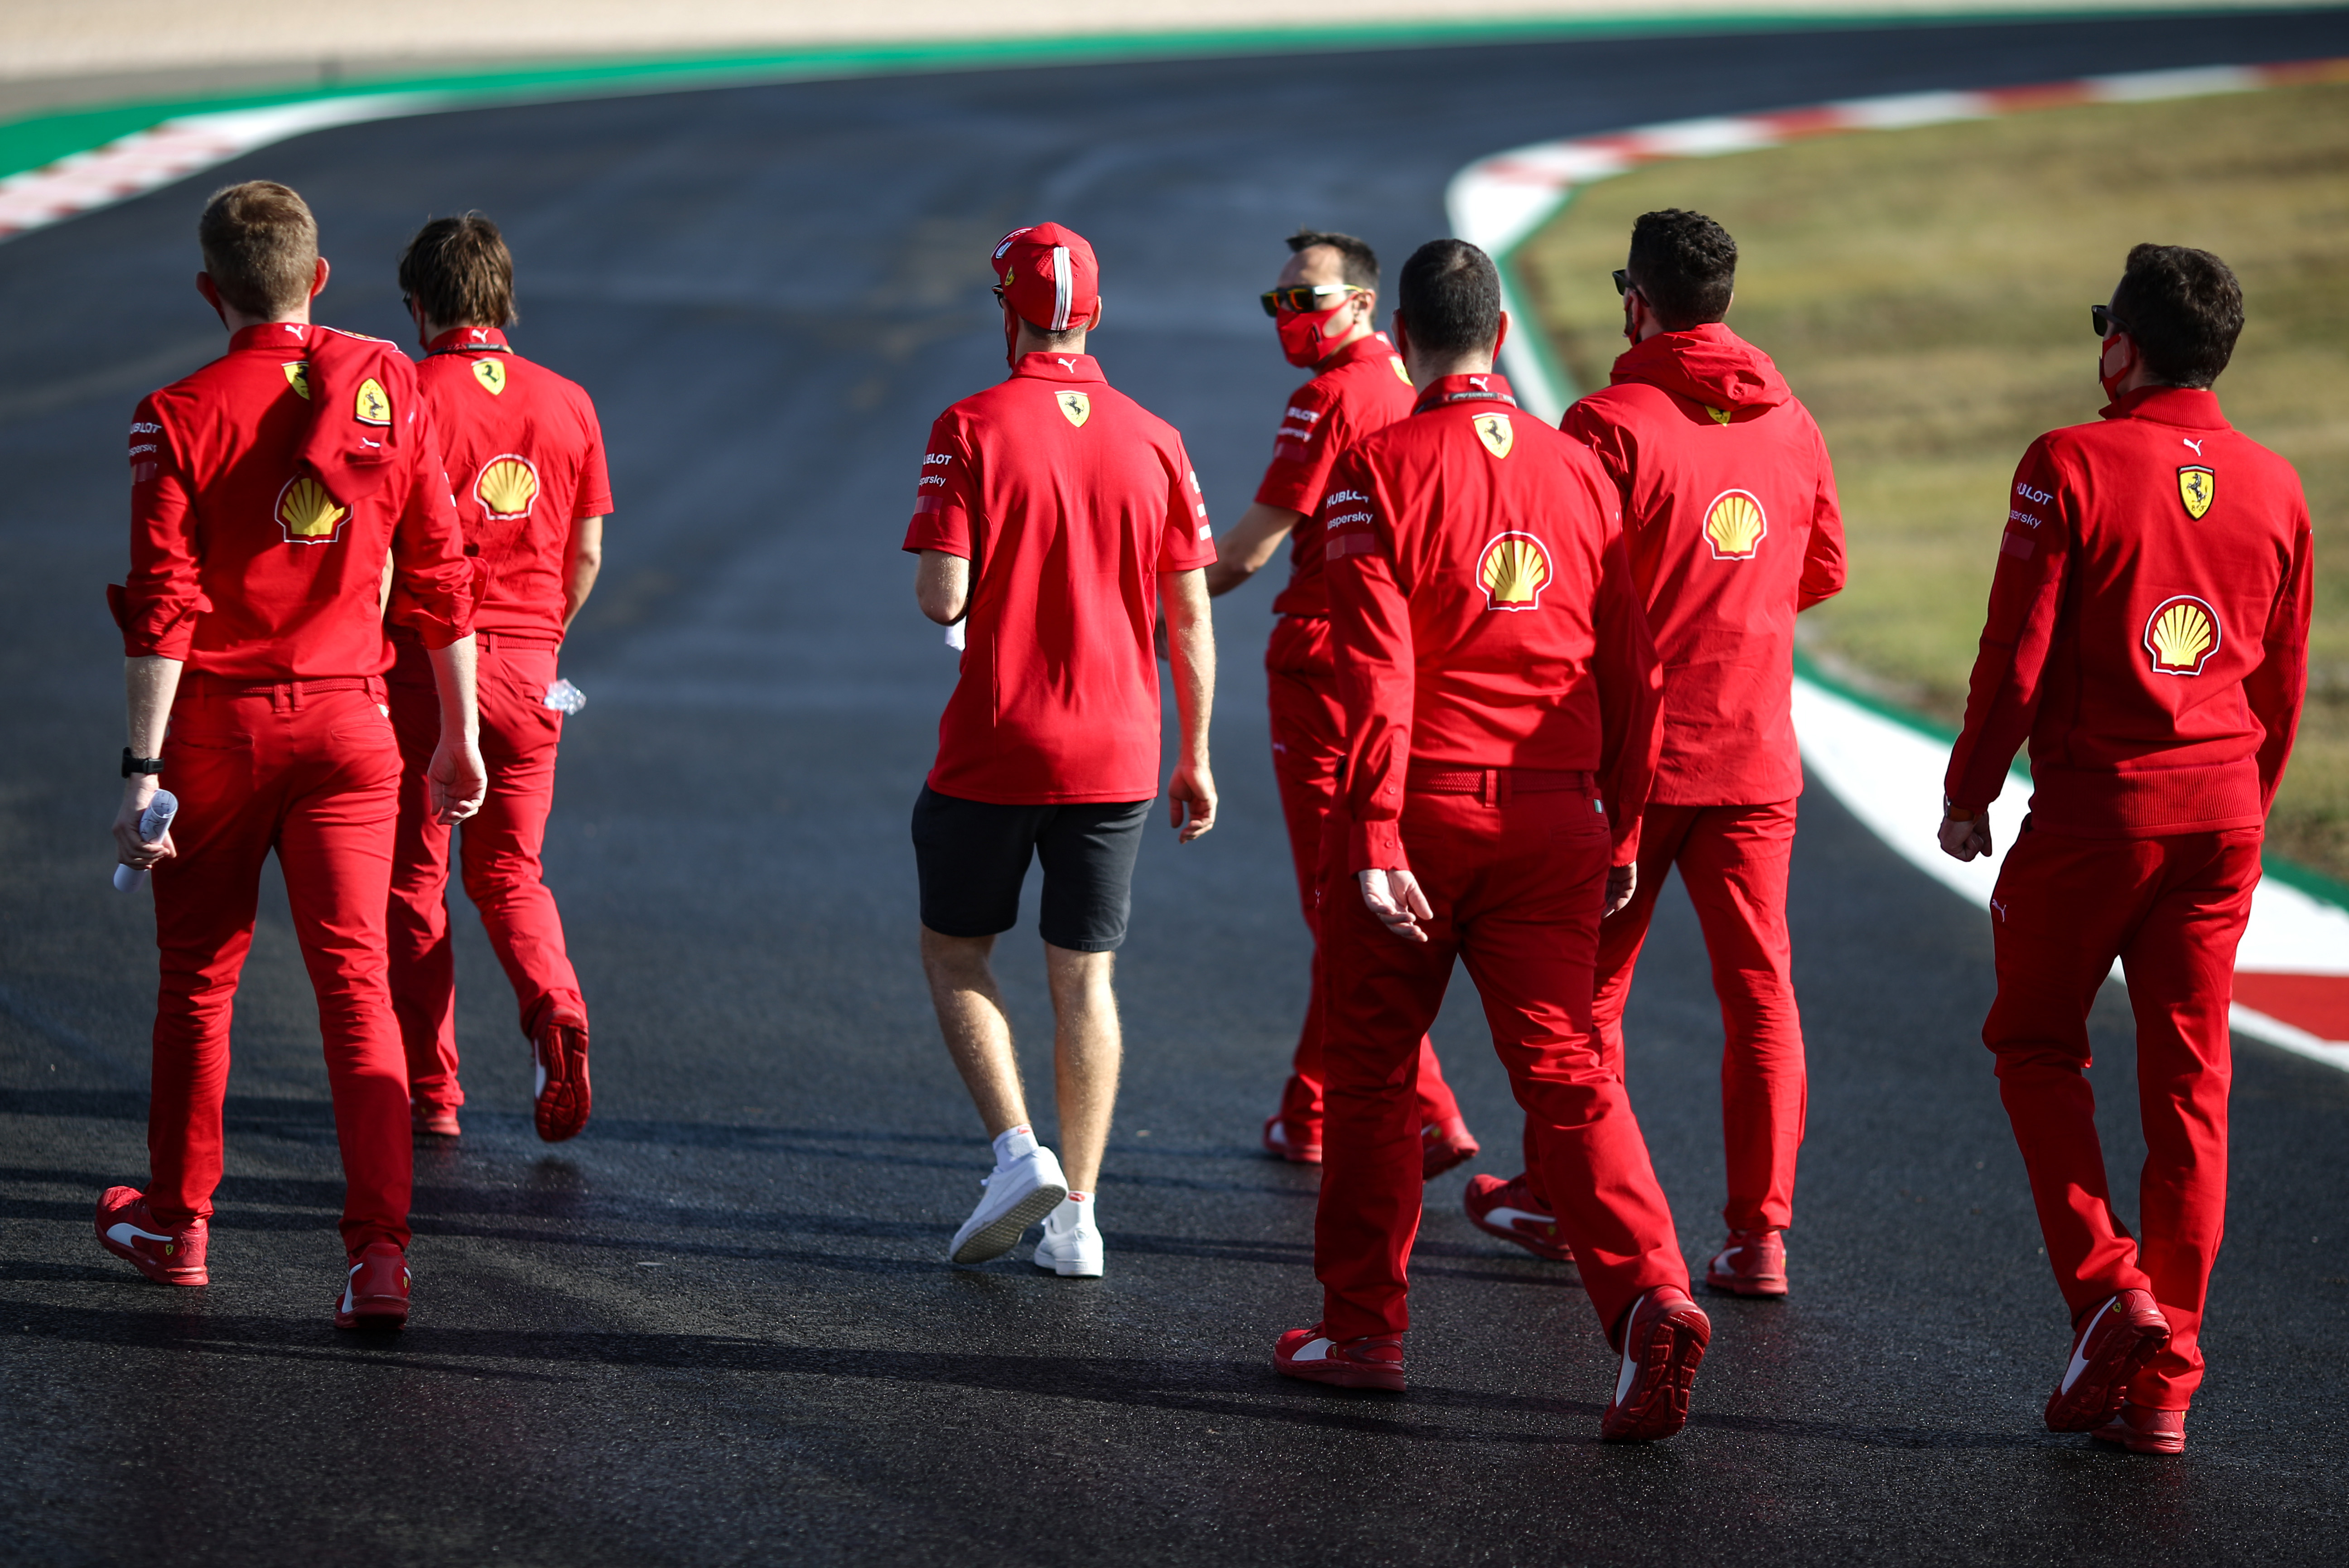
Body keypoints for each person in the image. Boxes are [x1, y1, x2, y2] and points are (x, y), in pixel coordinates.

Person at [1272, 239, 1708, 1441]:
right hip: (1561, 811)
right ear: (1503, 337)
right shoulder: (1582, 473)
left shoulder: (1378, 463)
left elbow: (1374, 666)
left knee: (1367, 1075)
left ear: (1403, 339)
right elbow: (1638, 666)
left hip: (1421, 811)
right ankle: (1650, 1294)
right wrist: (1620, 815)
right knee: (1568, 1072)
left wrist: (1365, 831)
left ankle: (1361, 1331)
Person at [1940, 245, 2310, 1457]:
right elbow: (2285, 684)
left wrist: (1969, 789)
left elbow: (2017, 651)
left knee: (2034, 1040)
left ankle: (2110, 1292)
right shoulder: (2277, 484)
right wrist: (2241, 810)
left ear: (2122, 345)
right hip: (2223, 818)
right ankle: (2166, 1388)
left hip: (2102, 813)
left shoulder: (2070, 460)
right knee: (2190, 1089)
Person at [97, 180, 484, 1329]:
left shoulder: (173, 414)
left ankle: (178, 1226)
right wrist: (458, 736)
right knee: (358, 991)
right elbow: (440, 574)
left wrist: (140, 770)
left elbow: (164, 605)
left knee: (199, 987)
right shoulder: (388, 384)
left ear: (211, 292)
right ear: (318, 279)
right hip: (356, 729)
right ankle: (377, 1259)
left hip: (220, 731)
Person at [1464, 209, 1845, 1295]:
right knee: (1760, 992)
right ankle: (1760, 1237)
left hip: (1631, 760)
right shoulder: (1794, 420)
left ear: (1637, 299)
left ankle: (1557, 1196)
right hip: (1757, 753)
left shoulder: (1605, 422)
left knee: (1588, 996)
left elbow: (1558, 580)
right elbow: (1818, 570)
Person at [904, 223, 1218, 1279]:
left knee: (957, 953)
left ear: (1007, 311)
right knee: (1085, 983)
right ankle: (1078, 1218)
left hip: (1000, 741)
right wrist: (1198, 754)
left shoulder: (971, 423)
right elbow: (1191, 618)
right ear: (1094, 316)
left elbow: (942, 593)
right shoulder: (1157, 435)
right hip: (1124, 749)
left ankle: (1011, 1155)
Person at [1205, 228, 1478, 1177]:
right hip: (1416, 660)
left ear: (1362, 306)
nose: (1288, 318)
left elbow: (1240, 555)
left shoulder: (1325, 398)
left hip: (1324, 664)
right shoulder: (1417, 392)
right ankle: (1310, 1107)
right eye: (1276, 302)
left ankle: (1433, 1115)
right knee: (1362, 880)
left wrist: (1136, 586)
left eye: (1304, 300)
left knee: (1341, 899)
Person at [386, 213, 612, 1143]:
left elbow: (390, 553)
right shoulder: (569, 400)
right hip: (533, 671)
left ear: (418, 306)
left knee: (413, 883)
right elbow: (588, 552)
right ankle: (554, 1006)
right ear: (503, 299)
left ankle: (432, 1094)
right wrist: (541, 640)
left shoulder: (406, 393)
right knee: (514, 873)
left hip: (427, 670)